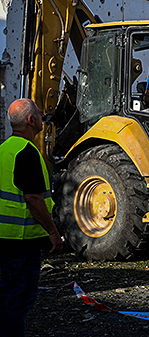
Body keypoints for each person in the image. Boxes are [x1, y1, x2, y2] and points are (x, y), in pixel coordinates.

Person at [0, 99, 63, 337]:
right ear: (31, 120)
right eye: (39, 112)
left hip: (4, 238)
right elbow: (34, 200)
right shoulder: (28, 153)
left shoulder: (4, 150)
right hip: (23, 240)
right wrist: (53, 232)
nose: (42, 115)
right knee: (19, 301)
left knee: (5, 297)